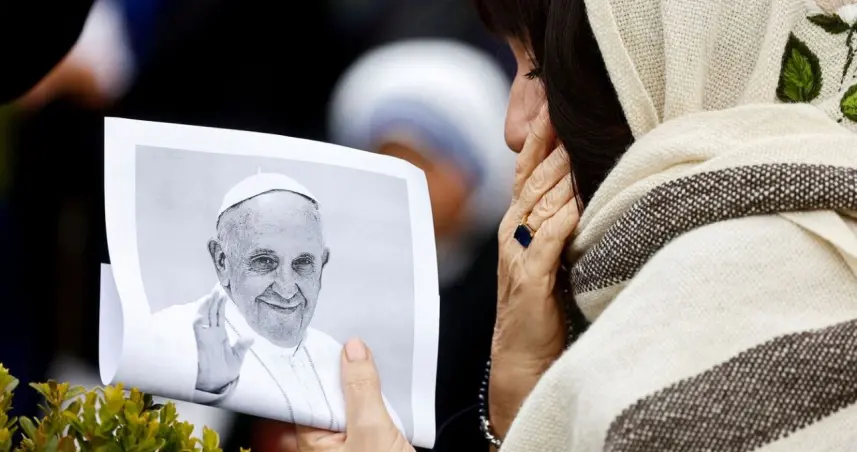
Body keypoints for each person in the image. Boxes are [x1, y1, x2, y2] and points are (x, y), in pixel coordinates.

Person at [295, 0, 857, 451]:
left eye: (539, 70)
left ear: (672, 59)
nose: (514, 126)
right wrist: (515, 401)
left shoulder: (712, 331)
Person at [328, 38, 514, 451]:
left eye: (422, 164)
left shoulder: (508, 288)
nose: (403, 182)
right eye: (386, 161)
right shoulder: (340, 278)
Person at [151, 171, 402, 432]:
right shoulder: (166, 334)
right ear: (222, 261)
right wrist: (209, 392)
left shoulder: (336, 361)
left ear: (322, 265)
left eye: (303, 263)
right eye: (264, 261)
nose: (286, 288)